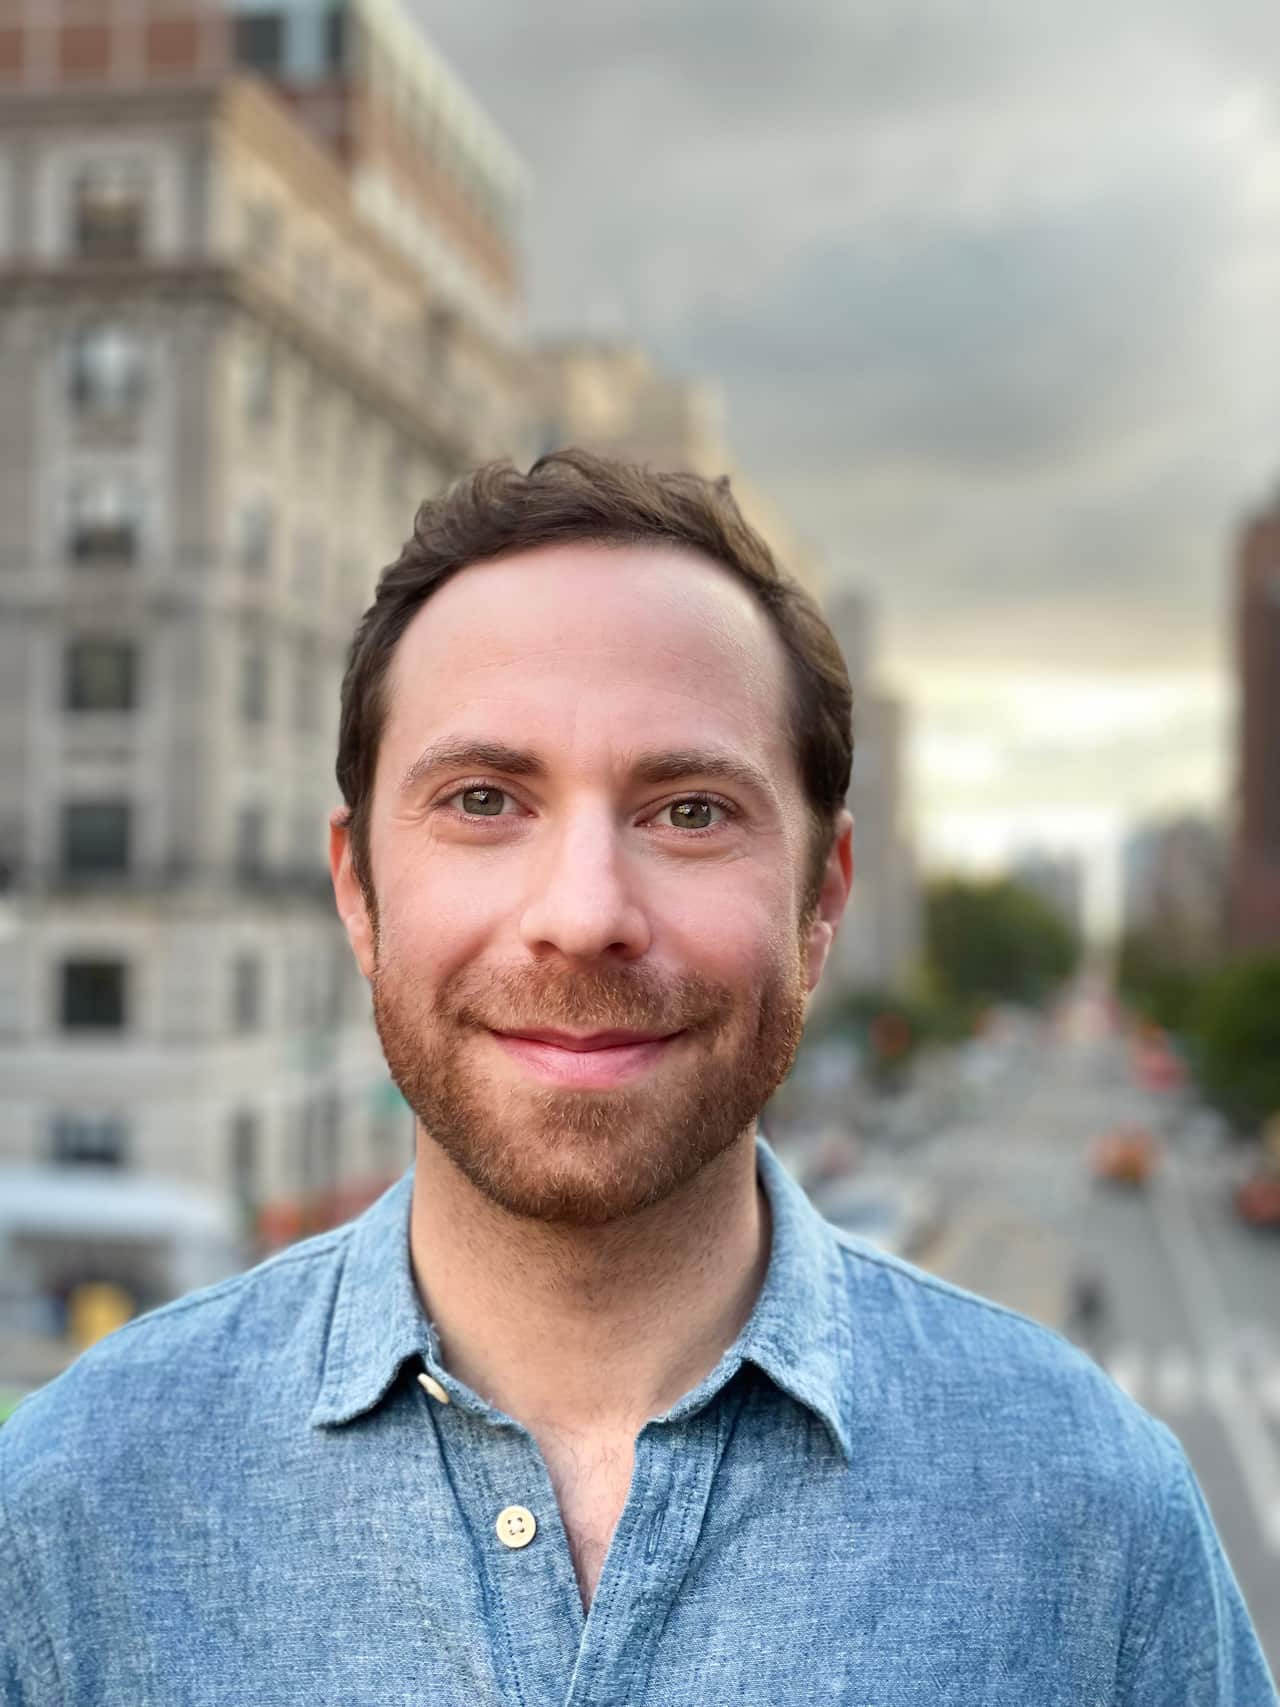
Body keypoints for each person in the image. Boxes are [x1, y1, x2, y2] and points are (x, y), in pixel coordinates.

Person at [0, 451, 1274, 1705]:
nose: (584, 914)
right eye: (485, 799)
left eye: (688, 812)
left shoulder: (1097, 1522)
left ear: (818, 904)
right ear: (357, 889)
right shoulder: (65, 1515)